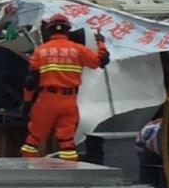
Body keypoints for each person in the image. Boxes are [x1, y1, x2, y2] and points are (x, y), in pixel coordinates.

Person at [20, 14, 110, 159]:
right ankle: (69, 173)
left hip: (46, 100)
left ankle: (27, 170)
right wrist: (100, 42)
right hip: (69, 101)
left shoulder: (41, 51)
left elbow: (31, 81)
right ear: (68, 30)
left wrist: (27, 102)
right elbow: (102, 61)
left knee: (33, 140)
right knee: (67, 142)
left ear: (49, 31)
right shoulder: (78, 50)